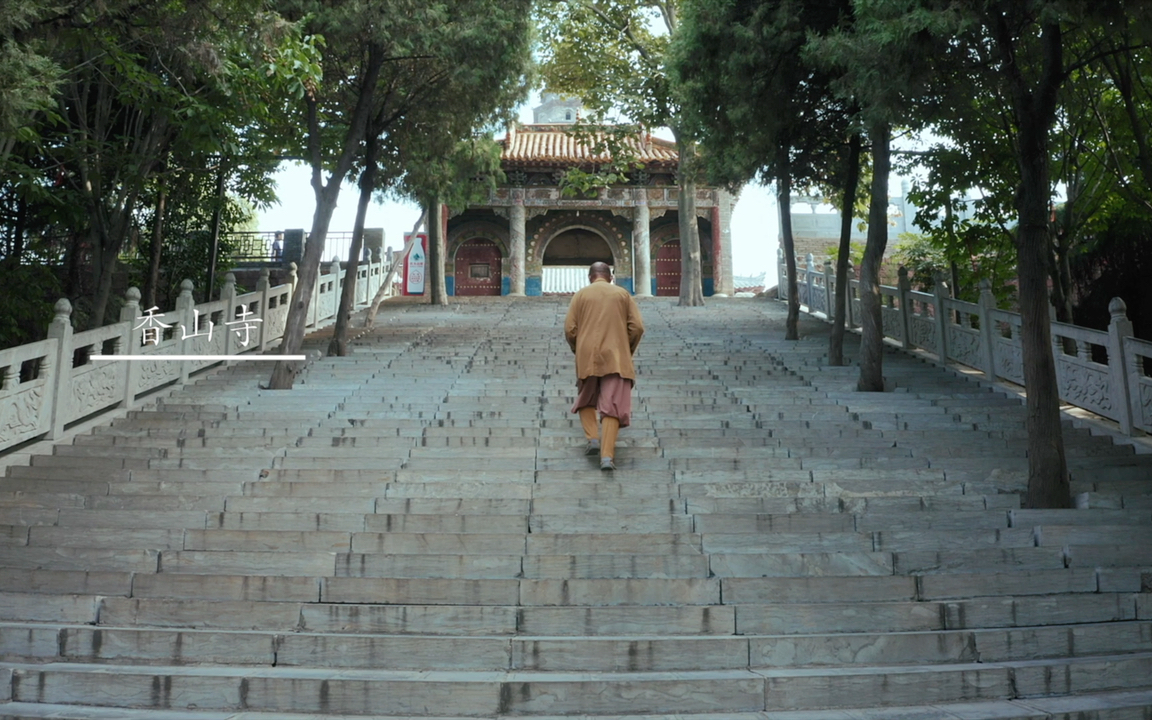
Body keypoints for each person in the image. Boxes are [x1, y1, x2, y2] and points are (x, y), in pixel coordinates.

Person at [564, 262, 644, 471]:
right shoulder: (622, 295)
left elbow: (570, 329)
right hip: (616, 356)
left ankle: (592, 439)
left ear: (590, 277)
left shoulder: (580, 295)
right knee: (612, 405)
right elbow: (637, 327)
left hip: (587, 354)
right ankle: (607, 457)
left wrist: (578, 348)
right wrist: (626, 348)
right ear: (610, 277)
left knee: (586, 397)